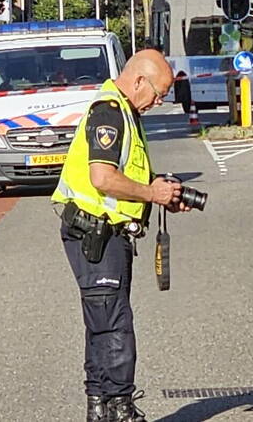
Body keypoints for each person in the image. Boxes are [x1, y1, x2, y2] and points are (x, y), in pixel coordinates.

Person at [52, 49, 191, 422]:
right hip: (95, 232)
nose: (158, 102)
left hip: (102, 232)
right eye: (159, 93)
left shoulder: (124, 111)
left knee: (102, 323)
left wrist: (161, 193)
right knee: (115, 325)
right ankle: (120, 408)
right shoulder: (110, 112)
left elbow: (126, 174)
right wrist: (151, 193)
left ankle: (100, 408)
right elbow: (102, 178)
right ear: (139, 80)